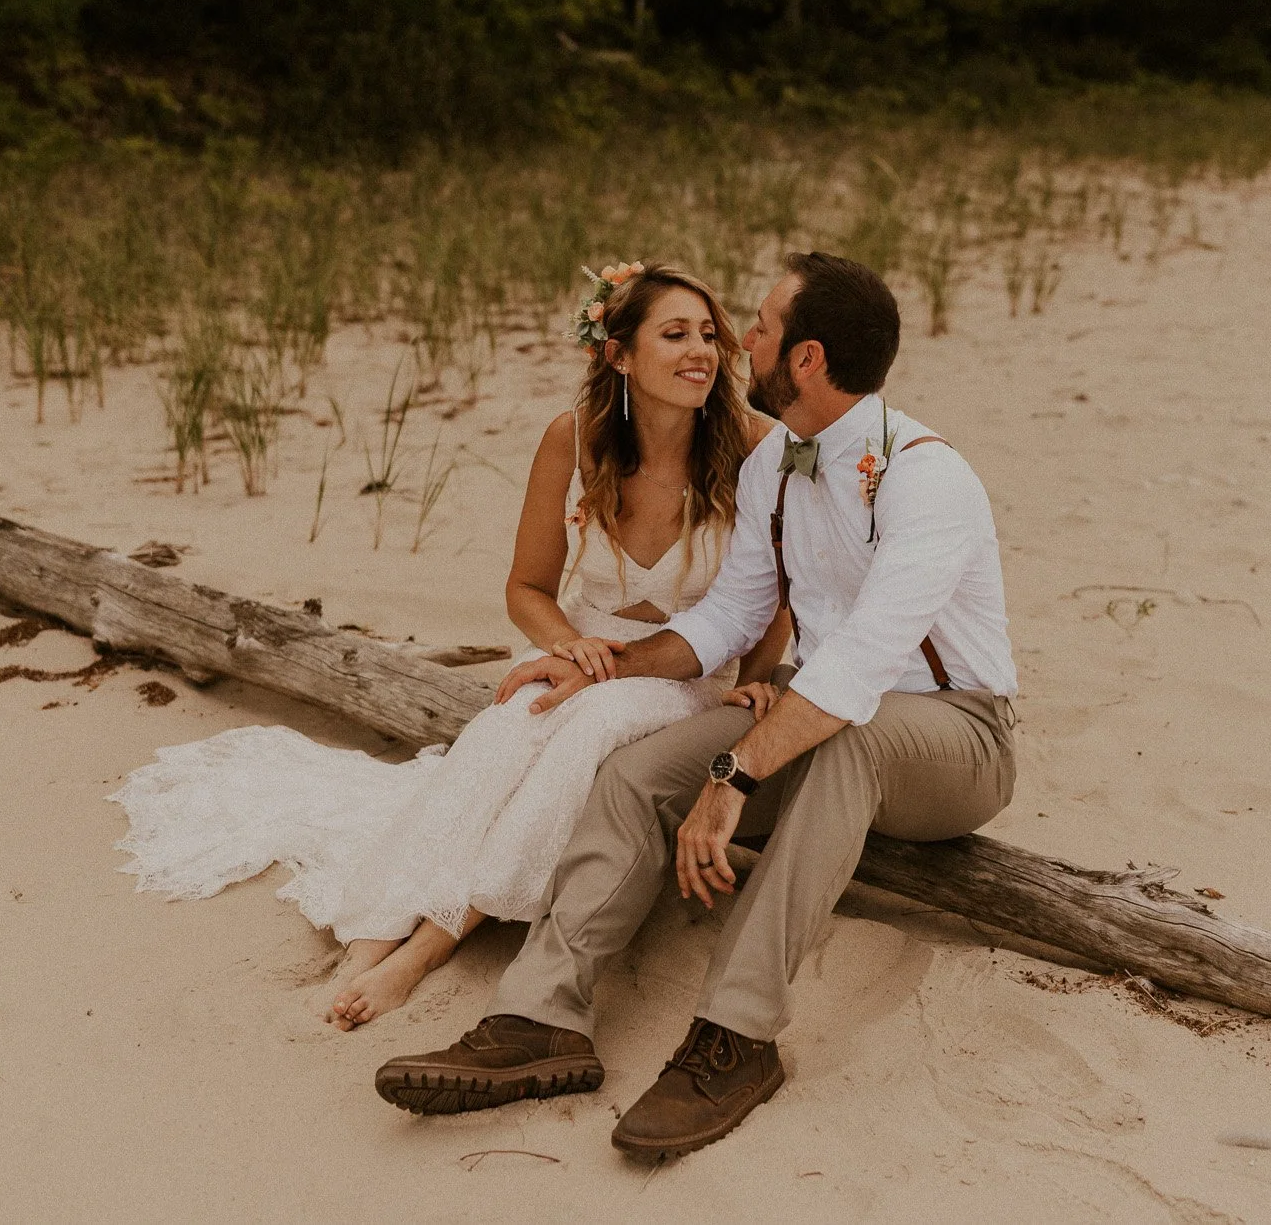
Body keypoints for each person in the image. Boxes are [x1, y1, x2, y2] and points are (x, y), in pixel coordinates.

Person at [373, 252, 1018, 1162]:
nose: (736, 341)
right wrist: (603, 666)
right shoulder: (774, 470)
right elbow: (730, 616)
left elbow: (864, 664)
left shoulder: (924, 475)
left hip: (955, 733)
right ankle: (540, 1016)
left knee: (848, 738)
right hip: (817, 710)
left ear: (805, 357)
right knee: (637, 771)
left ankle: (736, 1036)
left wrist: (736, 773)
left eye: (756, 324)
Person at [109, 263, 789, 1031]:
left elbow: (780, 592)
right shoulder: (575, 438)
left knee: (592, 728)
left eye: (708, 334)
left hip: (685, 672)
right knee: (514, 719)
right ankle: (377, 924)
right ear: (619, 354)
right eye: (675, 334)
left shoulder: (756, 447)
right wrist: (570, 646)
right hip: (579, 655)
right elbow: (527, 588)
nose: (701, 350)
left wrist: (756, 683)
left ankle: (429, 944)